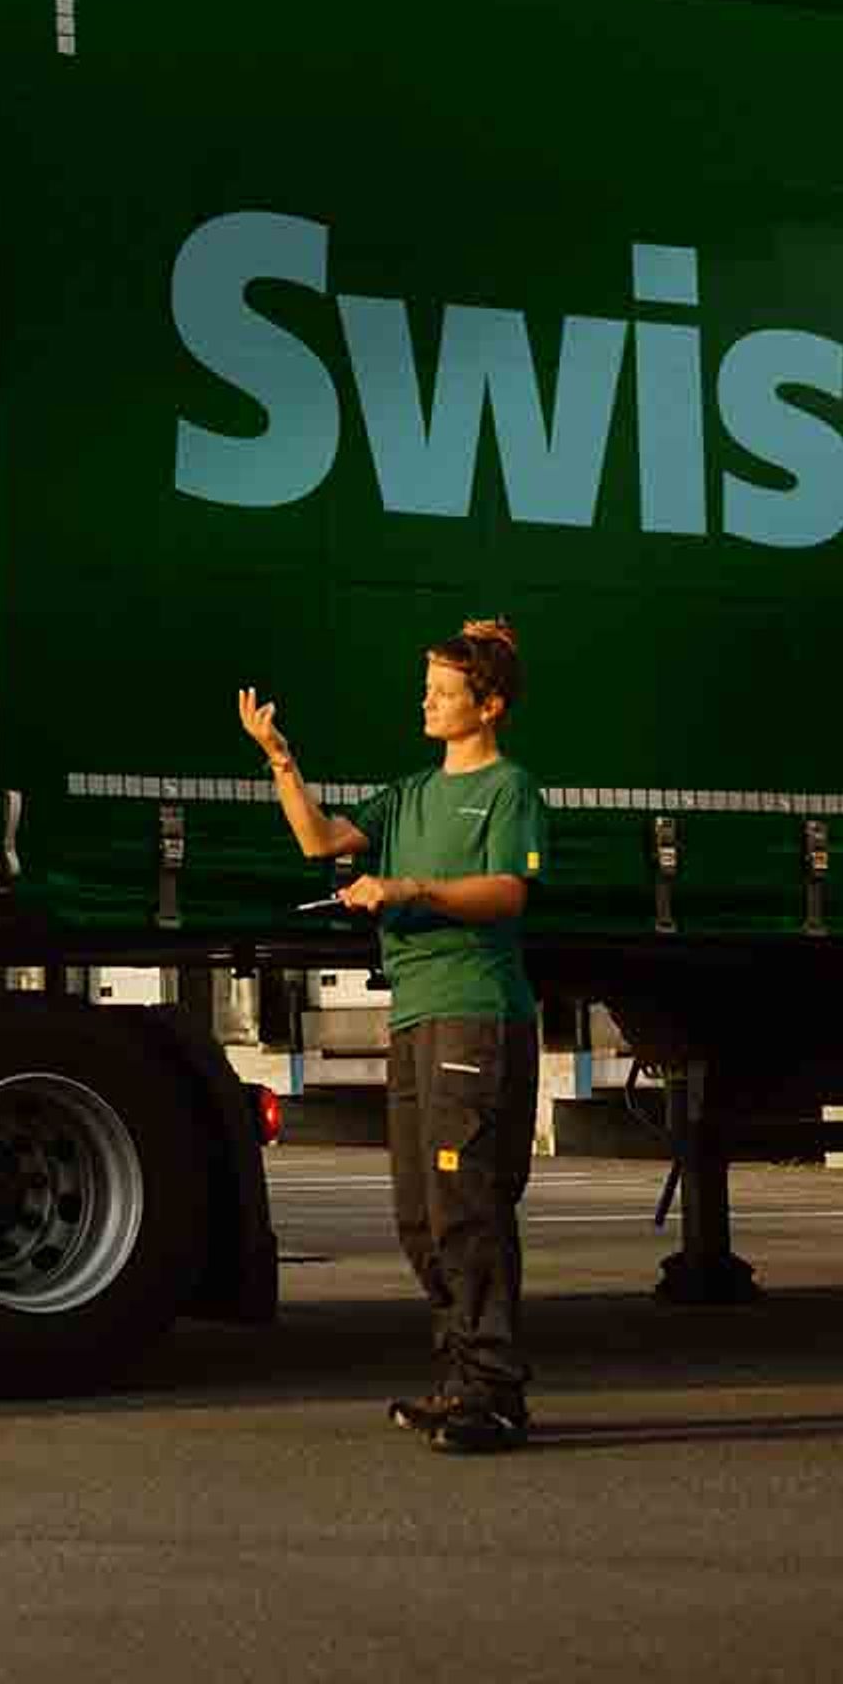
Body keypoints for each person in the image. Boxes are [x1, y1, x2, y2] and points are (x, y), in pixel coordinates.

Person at [234, 619, 547, 1455]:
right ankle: (459, 1380)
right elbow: (317, 840)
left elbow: (508, 894)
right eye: (427, 689)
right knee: (420, 1214)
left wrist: (411, 886)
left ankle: (496, 1390)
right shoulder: (408, 793)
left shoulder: (510, 789)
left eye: (445, 692)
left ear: (488, 705)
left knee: (467, 1205)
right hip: (413, 1013)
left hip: (476, 1008)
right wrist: (279, 757)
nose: (429, 703)